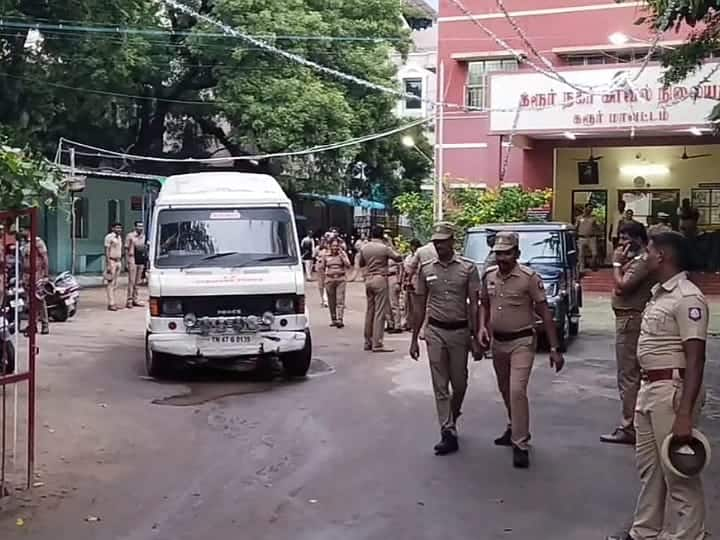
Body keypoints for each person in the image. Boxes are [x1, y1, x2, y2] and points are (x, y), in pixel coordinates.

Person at [617, 232, 709, 540]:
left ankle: (690, 535)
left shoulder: (687, 297)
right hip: (650, 389)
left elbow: (696, 360)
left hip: (672, 390)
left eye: (649, 252)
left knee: (678, 470)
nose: (645, 257)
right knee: (650, 469)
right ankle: (644, 532)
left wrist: (684, 413)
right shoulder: (660, 295)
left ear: (663, 257)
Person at [480, 231, 565, 469]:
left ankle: (520, 443)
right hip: (498, 343)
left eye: (507, 253)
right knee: (506, 390)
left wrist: (555, 347)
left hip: (523, 342)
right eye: (498, 253)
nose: (502, 258)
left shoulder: (529, 278)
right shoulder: (488, 276)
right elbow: (484, 305)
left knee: (517, 390)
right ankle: (513, 426)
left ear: (517, 253)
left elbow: (545, 312)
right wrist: (481, 328)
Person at [409, 222, 481, 456]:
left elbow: (474, 305)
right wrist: (413, 338)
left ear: (453, 241)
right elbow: (418, 306)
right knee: (440, 385)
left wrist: (476, 334)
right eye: (436, 241)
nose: (439, 245)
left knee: (459, 383)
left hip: (460, 332)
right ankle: (447, 431)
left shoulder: (468, 269)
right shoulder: (426, 269)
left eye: (443, 240)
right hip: (435, 332)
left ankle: (453, 413)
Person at [601, 221, 653, 445]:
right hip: (628, 319)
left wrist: (615, 264)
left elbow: (623, 286)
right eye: (620, 239)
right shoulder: (635, 260)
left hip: (630, 320)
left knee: (628, 375)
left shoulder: (641, 262)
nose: (621, 244)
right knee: (631, 374)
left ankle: (628, 426)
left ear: (639, 240)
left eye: (626, 239)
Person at [358, 225, 402, 353]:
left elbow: (361, 263)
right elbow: (398, 257)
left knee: (370, 311)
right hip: (380, 279)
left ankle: (367, 341)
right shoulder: (384, 248)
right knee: (380, 312)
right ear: (382, 235)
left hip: (369, 279)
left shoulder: (364, 248)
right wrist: (389, 244)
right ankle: (377, 343)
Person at [20, 227, 50, 335]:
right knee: (30, 302)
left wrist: (46, 275)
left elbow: (45, 258)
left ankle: (45, 325)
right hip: (27, 275)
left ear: (29, 230)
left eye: (23, 230)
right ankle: (32, 325)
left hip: (37, 274)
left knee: (39, 300)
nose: (20, 232)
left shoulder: (38, 242)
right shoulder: (24, 243)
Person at [317, 237, 352, 328]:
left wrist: (342, 257)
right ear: (329, 246)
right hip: (329, 280)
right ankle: (333, 319)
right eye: (333, 246)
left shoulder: (342, 254)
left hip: (340, 279)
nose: (335, 248)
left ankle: (340, 319)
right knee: (331, 301)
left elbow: (348, 265)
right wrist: (323, 279)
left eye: (337, 245)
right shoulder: (326, 255)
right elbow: (321, 267)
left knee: (340, 300)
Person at [402, 239, 422, 331]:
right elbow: (405, 268)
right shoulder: (409, 256)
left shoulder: (420, 256)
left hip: (415, 281)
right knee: (407, 304)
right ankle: (408, 322)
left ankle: (415, 324)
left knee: (415, 305)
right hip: (408, 281)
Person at [125, 221, 146, 309]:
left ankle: (135, 299)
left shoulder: (144, 236)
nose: (140, 228)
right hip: (132, 259)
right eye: (138, 226)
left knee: (137, 282)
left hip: (140, 260)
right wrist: (127, 261)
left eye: (141, 226)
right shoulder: (130, 236)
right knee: (132, 281)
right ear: (135, 227)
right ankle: (129, 300)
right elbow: (126, 248)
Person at [104, 222, 124, 311]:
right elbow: (107, 251)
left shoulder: (119, 237)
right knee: (110, 283)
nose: (119, 229)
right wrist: (108, 264)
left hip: (118, 261)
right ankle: (111, 303)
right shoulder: (109, 237)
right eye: (117, 228)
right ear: (113, 228)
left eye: (120, 228)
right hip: (111, 261)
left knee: (115, 283)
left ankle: (113, 302)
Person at [386, 236, 403, 334]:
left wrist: (399, 281)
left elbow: (401, 269)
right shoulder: (384, 253)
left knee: (394, 302)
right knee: (386, 303)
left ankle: (397, 325)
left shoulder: (395, 255)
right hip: (385, 278)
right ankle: (390, 323)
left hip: (393, 277)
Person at [576, 204, 599, 273]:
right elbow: (576, 227)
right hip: (581, 237)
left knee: (594, 253)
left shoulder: (594, 218)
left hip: (591, 237)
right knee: (581, 254)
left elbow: (597, 227)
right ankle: (581, 269)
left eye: (591, 208)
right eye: (589, 208)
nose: (590, 209)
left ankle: (592, 266)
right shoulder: (579, 218)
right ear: (585, 208)